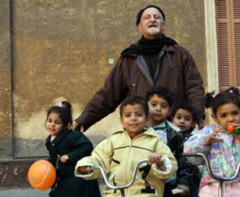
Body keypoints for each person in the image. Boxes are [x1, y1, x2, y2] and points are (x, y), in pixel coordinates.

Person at [73, 4, 205, 132]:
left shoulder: (180, 54)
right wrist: (85, 119)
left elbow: (194, 87)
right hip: (140, 130)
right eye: (147, 17)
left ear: (163, 25)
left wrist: (197, 115)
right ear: (139, 27)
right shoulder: (128, 59)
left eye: (157, 17)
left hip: (173, 129)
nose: (152, 19)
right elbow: (108, 94)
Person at [45, 101, 102, 197]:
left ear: (64, 125)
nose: (52, 125)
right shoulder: (49, 140)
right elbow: (53, 160)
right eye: (50, 121)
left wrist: (70, 156)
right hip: (65, 178)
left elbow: (87, 146)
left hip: (78, 179)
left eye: (57, 123)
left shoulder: (71, 136)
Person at [145, 86, 193, 197]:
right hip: (143, 182)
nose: (158, 109)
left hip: (167, 182)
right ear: (146, 105)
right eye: (154, 104)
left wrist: (183, 182)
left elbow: (183, 159)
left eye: (163, 106)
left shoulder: (174, 132)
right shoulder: (137, 128)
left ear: (169, 110)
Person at [171, 102, 201, 197]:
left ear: (193, 123)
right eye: (179, 118)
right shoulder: (170, 137)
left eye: (187, 119)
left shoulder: (197, 139)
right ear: (172, 119)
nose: (182, 121)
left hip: (192, 182)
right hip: (175, 180)